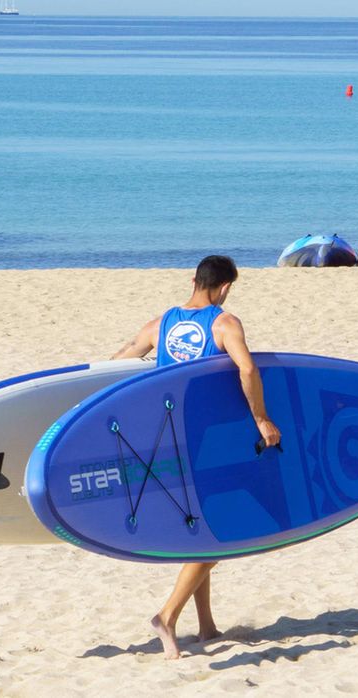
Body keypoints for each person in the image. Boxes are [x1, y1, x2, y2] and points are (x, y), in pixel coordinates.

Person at [110, 255, 281, 659]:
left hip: (166, 439)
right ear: (225, 287)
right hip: (206, 441)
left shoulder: (160, 324)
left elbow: (118, 361)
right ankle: (167, 616)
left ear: (193, 280)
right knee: (223, 529)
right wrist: (261, 418)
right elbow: (248, 370)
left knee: (201, 529)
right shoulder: (224, 323)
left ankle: (206, 626)